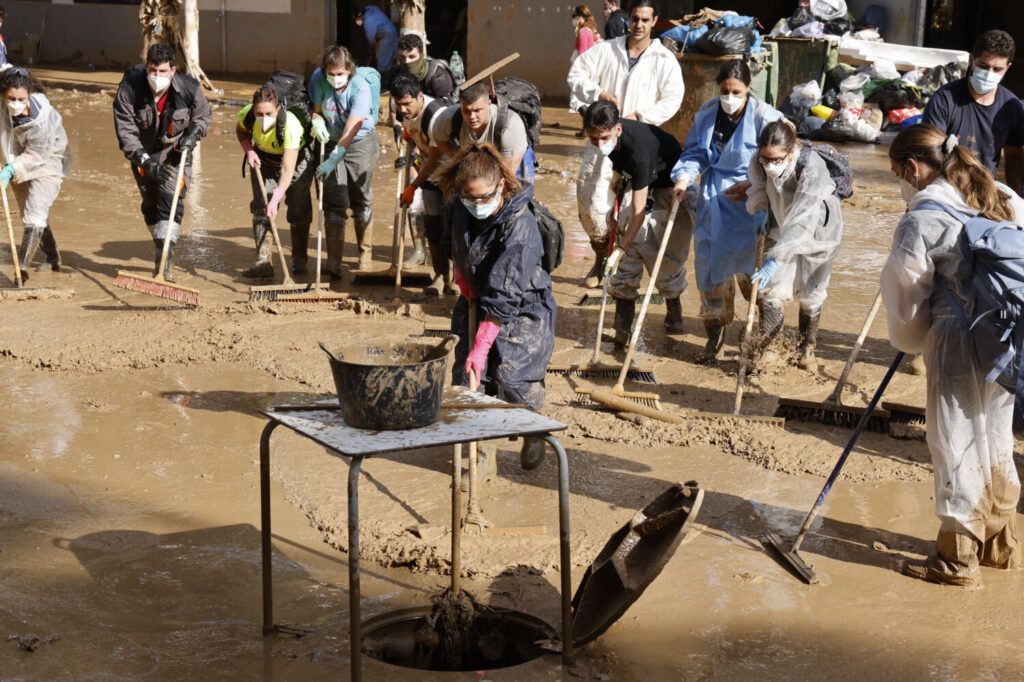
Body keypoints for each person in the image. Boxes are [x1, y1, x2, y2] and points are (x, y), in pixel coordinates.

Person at [882, 123, 1024, 587]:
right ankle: (1002, 547)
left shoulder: (920, 219)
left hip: (956, 338)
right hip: (1006, 336)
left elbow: (906, 299)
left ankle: (956, 559)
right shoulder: (999, 196)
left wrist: (909, 341)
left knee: (955, 441)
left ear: (912, 167)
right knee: (997, 437)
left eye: (898, 173)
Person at [435, 143, 557, 474]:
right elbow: (451, 242)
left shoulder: (521, 226)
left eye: (483, 197)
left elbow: (506, 295)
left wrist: (483, 344)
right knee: (469, 377)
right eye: (469, 197)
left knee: (511, 376)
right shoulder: (459, 204)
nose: (476, 204)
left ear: (501, 185)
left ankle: (533, 428)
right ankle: (482, 454)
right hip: (474, 296)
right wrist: (462, 278)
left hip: (522, 304)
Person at [671, 59, 784, 363]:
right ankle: (714, 342)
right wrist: (684, 177)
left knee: (757, 276)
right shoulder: (708, 113)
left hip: (753, 204)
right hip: (713, 200)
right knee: (711, 273)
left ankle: (766, 345)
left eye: (737, 91)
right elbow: (695, 152)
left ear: (749, 89)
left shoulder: (766, 116)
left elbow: (784, 156)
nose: (730, 97)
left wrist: (753, 182)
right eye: (725, 90)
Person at [567, 0, 684, 288]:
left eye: (645, 19)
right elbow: (575, 74)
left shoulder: (663, 59)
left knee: (631, 212)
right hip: (602, 141)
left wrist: (640, 117)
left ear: (654, 20)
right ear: (628, 19)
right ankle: (598, 258)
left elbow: (672, 100)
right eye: (634, 18)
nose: (639, 25)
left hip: (635, 143)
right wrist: (599, 92)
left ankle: (624, 275)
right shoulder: (607, 49)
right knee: (591, 203)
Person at [583, 100, 692, 346]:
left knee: (657, 249)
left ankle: (674, 309)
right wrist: (619, 176)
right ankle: (621, 328)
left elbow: (639, 212)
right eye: (593, 139)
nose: (600, 145)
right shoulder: (608, 139)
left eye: (605, 138)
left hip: (669, 184)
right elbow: (619, 161)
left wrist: (618, 250)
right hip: (640, 179)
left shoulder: (639, 151)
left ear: (617, 130)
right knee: (626, 236)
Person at [745, 121, 843, 368]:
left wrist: (777, 258)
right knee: (771, 289)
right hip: (779, 220)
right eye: (766, 158)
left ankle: (806, 349)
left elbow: (803, 219)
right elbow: (757, 188)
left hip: (819, 229)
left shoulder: (812, 167)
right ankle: (770, 350)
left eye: (777, 159)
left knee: (812, 290)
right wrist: (758, 211)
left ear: (790, 152)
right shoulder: (758, 160)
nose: (770, 164)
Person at [113, 43, 210, 282]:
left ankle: (164, 263)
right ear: (147, 67)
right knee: (151, 205)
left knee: (171, 203)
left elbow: (203, 117)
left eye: (163, 71)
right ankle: (160, 246)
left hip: (176, 154)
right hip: (143, 156)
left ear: (173, 70)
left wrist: (194, 132)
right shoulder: (129, 89)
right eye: (153, 70)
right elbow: (126, 133)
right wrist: (146, 163)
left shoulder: (189, 88)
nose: (158, 76)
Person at [922, 29, 1024, 194]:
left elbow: (1013, 157)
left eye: (997, 69)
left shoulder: (1011, 107)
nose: (988, 74)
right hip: (945, 190)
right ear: (971, 60)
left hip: (985, 192)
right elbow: (927, 155)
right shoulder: (944, 100)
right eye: (983, 66)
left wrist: (1016, 198)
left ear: (1007, 68)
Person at [308, 46, 380, 275]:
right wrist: (317, 121)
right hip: (330, 140)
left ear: (349, 70)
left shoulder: (361, 88)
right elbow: (316, 110)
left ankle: (364, 255)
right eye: (331, 73)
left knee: (361, 199)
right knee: (333, 202)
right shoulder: (319, 79)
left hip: (360, 143)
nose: (335, 78)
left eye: (340, 74)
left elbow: (352, 128)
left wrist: (335, 157)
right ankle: (333, 263)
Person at [235, 86, 314, 279]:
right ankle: (264, 262)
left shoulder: (291, 126)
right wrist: (249, 150)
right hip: (264, 160)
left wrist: (277, 196)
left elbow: (288, 169)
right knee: (261, 209)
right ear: (253, 110)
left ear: (278, 110)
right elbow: (241, 132)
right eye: (259, 113)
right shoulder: (248, 115)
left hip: (296, 163)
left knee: (298, 210)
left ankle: (299, 263)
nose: (263, 117)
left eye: (269, 113)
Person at [0, 68, 70, 279]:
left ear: (29, 94)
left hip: (49, 159)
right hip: (15, 157)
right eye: (11, 98)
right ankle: (52, 256)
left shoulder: (43, 119)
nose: (16, 102)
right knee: (28, 213)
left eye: (21, 98)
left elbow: (37, 155)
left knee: (35, 211)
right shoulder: (4, 103)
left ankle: (21, 268)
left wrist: (11, 169)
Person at [391, 72, 452, 295]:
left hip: (450, 176)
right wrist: (409, 133)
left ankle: (454, 280)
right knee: (433, 227)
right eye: (398, 105)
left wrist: (412, 185)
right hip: (430, 175)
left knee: (451, 228)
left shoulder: (437, 116)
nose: (403, 110)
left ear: (419, 96)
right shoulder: (406, 112)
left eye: (407, 104)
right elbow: (423, 151)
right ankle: (439, 275)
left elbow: (435, 159)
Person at [433, 81, 532, 181]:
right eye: (466, 111)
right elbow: (439, 137)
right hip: (478, 159)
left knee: (514, 193)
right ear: (460, 105)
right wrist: (459, 159)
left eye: (477, 111)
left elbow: (506, 177)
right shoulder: (448, 118)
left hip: (512, 160)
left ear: (489, 104)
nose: (472, 117)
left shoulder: (510, 126)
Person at [353, 5, 397, 77]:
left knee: (383, 57)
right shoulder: (370, 9)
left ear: (360, 16)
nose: (357, 21)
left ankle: (384, 77)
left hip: (387, 35)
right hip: (388, 31)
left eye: (357, 19)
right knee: (386, 56)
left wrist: (372, 45)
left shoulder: (368, 21)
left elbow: (371, 36)